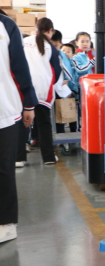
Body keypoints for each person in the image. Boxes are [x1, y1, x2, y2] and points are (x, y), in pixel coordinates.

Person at [0, 9, 38, 242]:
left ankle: (6, 223)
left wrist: (29, 103)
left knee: (3, 169)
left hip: (5, 110)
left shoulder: (6, 25)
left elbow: (19, 67)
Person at [21, 17, 61, 165]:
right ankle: (48, 157)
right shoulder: (50, 46)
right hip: (43, 89)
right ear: (50, 31)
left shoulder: (24, 41)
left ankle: (19, 158)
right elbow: (56, 70)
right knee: (44, 123)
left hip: (23, 88)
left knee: (22, 123)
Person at [50, 30, 78, 134]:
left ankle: (63, 133)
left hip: (59, 86)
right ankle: (61, 133)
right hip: (55, 86)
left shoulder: (59, 53)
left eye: (55, 45)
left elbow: (66, 68)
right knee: (59, 111)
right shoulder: (56, 52)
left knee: (60, 111)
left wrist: (67, 79)